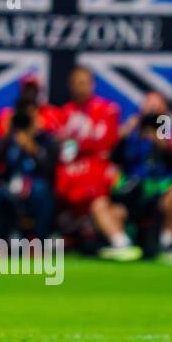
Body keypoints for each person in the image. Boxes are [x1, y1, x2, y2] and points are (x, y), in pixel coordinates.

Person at [99, 92, 172, 263]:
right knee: (99, 204)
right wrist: (126, 132)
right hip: (132, 192)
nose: (150, 111)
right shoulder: (132, 129)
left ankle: (166, 245)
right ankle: (122, 245)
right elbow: (114, 158)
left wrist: (159, 139)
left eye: (156, 107)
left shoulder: (169, 130)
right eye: (147, 105)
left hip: (159, 192)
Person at [52, 66, 124, 251]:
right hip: (73, 177)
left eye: (84, 82)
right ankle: (116, 241)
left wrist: (79, 143)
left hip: (100, 174)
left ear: (92, 84)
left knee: (107, 207)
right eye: (76, 83)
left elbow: (106, 143)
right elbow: (63, 151)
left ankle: (120, 242)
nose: (80, 87)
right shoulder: (64, 113)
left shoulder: (107, 109)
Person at [0, 105, 58, 241]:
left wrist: (32, 148)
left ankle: (38, 239)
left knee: (40, 190)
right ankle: (0, 239)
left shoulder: (46, 139)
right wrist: (8, 134)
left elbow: (49, 168)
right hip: (10, 186)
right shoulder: (9, 140)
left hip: (36, 185)